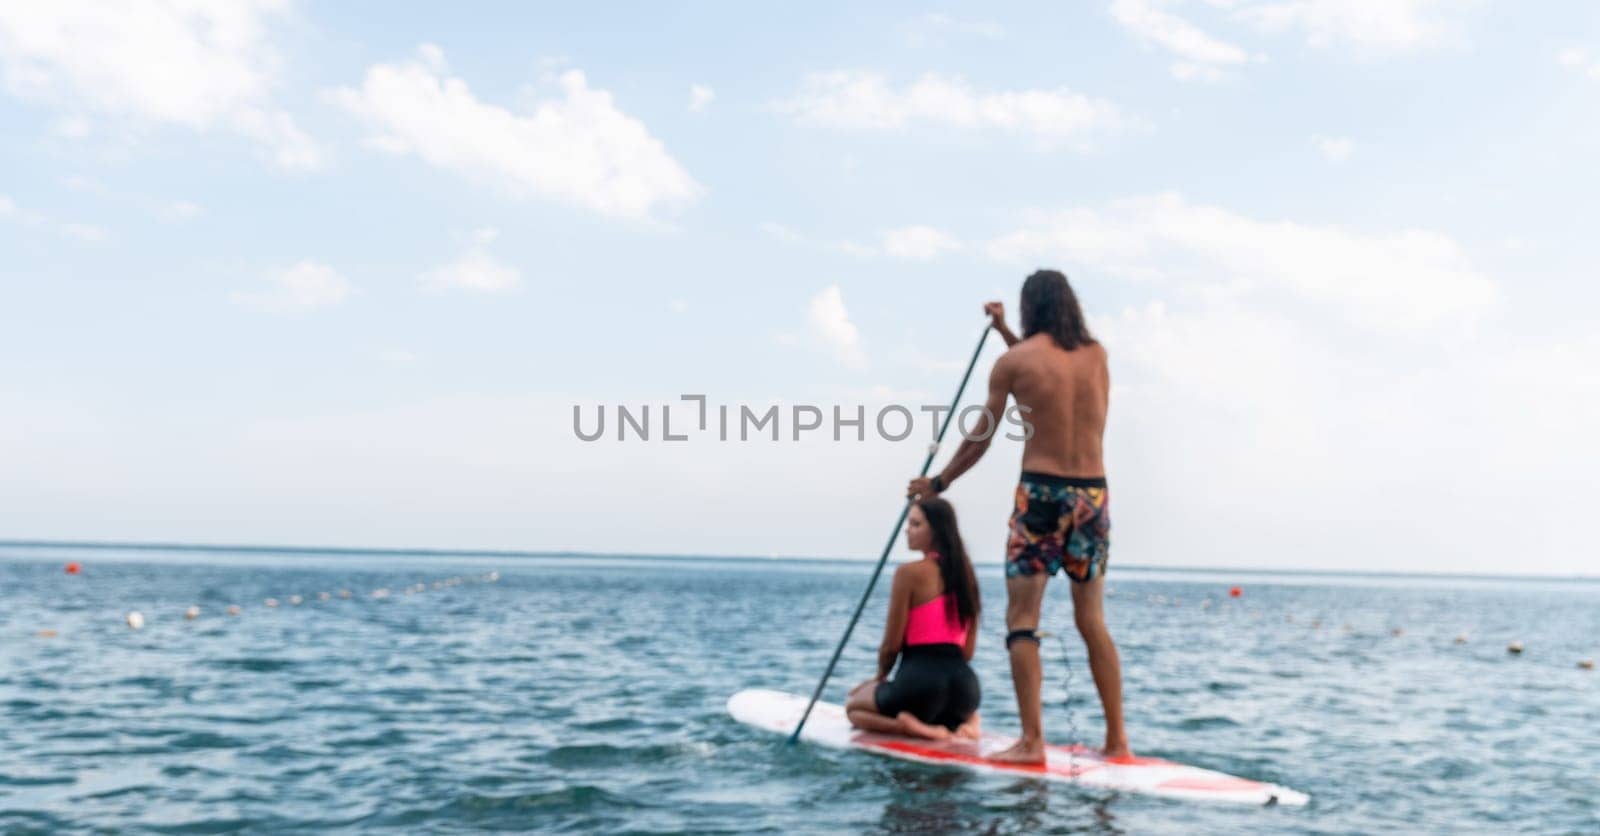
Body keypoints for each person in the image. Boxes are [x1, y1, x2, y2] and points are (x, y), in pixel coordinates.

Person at [907, 269, 1130, 764]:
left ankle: (1031, 743)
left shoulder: (1013, 362)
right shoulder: (1098, 358)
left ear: (1030, 309)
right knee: (1091, 619)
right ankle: (1118, 741)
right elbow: (1048, 375)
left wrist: (938, 483)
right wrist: (1006, 331)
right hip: (1093, 497)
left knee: (1022, 619)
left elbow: (982, 435)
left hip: (1042, 496)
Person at [845, 497, 983, 741]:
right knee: (950, 708)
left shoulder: (908, 573)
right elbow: (968, 652)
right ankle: (970, 723)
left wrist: (879, 678)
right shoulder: (967, 577)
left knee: (854, 707)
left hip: (920, 687)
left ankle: (909, 727)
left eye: (916, 524)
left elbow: (891, 646)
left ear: (936, 530)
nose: (907, 530)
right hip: (966, 690)